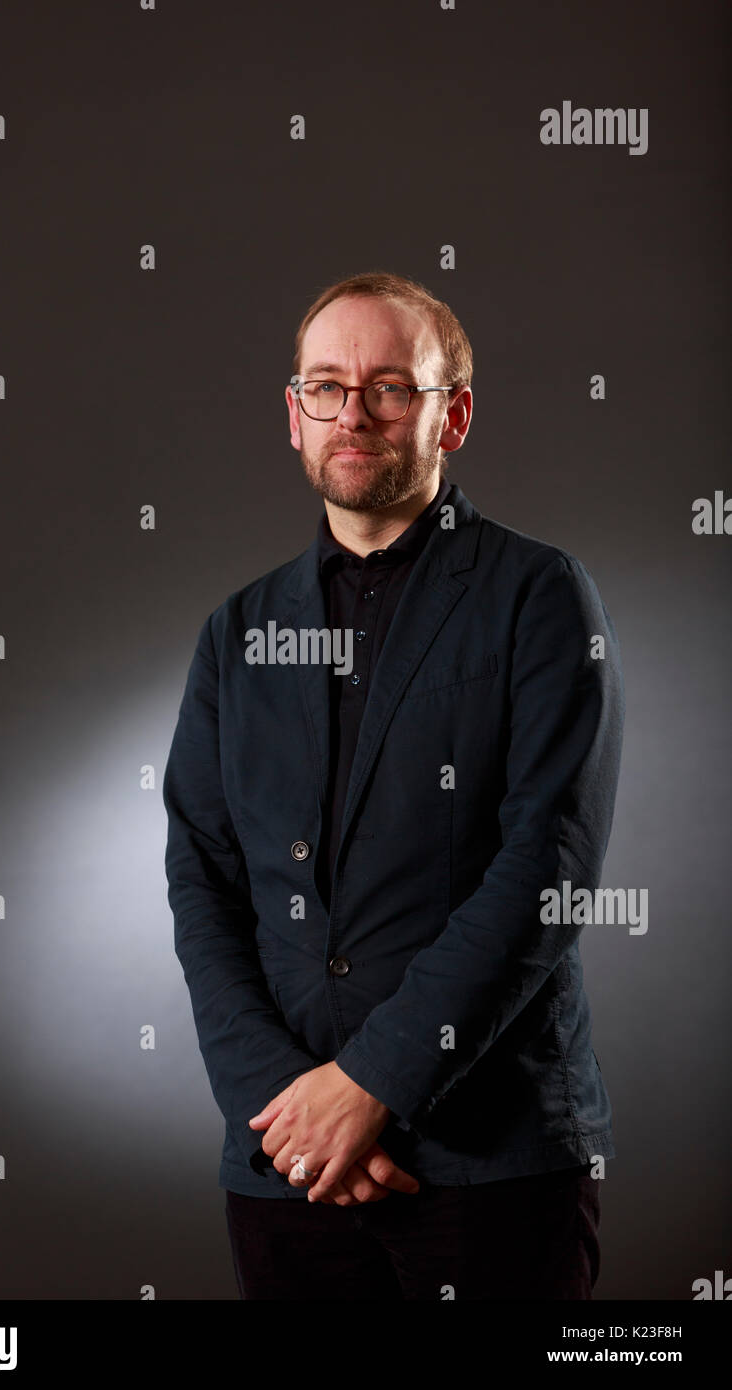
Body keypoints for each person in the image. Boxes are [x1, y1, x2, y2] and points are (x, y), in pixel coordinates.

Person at [162, 270, 625, 1300]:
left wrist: (370, 1086)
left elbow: (544, 866)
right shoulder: (235, 633)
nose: (352, 412)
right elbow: (203, 882)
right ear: (292, 416)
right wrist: (284, 1108)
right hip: (287, 1167)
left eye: (387, 386)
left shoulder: (538, 596)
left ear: (449, 412)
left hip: (490, 1161)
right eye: (324, 386)